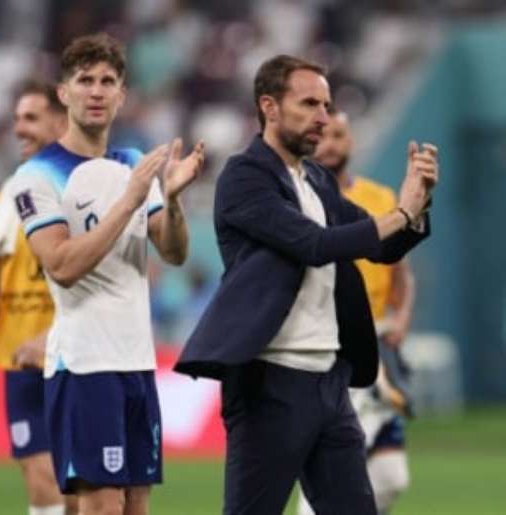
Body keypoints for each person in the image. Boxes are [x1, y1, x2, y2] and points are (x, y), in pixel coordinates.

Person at [174, 54, 438, 514]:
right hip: (269, 383)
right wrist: (399, 214)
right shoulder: (244, 176)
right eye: (310, 104)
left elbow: (382, 247)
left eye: (327, 105)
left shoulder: (317, 178)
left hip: (329, 384)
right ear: (269, 107)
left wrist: (415, 208)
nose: (324, 117)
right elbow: (314, 244)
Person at [8, 33, 205, 515]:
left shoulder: (133, 165)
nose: (96, 91)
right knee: (101, 508)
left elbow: (174, 252)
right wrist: (130, 201)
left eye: (108, 82)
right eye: (85, 80)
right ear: (64, 93)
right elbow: (62, 265)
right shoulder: (38, 176)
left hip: (136, 360)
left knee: (136, 508)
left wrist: (173, 201)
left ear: (121, 95)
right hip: (84, 364)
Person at [296, 108, 416, 515]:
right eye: (324, 136)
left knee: (389, 475)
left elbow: (402, 273)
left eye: (339, 136)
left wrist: (399, 322)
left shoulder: (379, 197)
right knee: (341, 457)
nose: (330, 144)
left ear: (350, 141)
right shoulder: (303, 197)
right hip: (332, 339)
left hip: (376, 338)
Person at [0, 80, 75, 514]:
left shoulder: (79, 188)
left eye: (31, 118)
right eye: (17, 118)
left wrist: (54, 337)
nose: (19, 128)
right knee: (40, 483)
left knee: (77, 489)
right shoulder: (5, 196)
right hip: (18, 359)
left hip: (73, 356)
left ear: (60, 123)